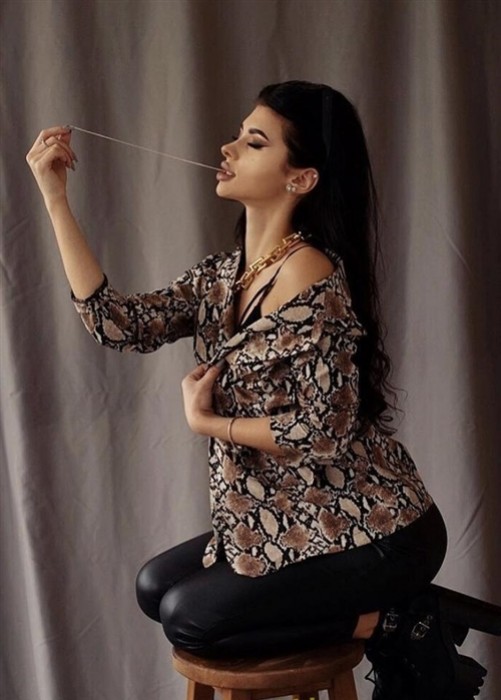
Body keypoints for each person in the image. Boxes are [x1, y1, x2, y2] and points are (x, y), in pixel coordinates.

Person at [27, 81, 497, 700]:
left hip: (376, 529)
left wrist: (209, 424)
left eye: (253, 142)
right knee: (154, 589)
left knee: (190, 618)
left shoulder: (313, 279)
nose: (227, 149)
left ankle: (403, 623)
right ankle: (397, 621)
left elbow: (324, 433)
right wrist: (56, 198)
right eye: (238, 136)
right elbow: (121, 325)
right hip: (287, 517)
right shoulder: (227, 276)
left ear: (301, 178)